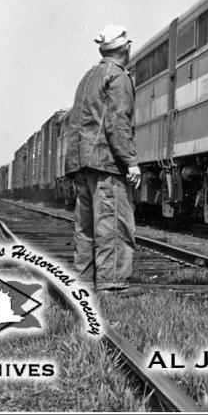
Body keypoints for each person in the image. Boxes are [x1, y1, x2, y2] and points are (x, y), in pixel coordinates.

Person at [63, 24, 141, 296]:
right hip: (105, 162)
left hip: (81, 163)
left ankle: (84, 282)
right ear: (125, 48)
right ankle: (112, 284)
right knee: (114, 223)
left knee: (85, 226)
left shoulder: (88, 76)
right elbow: (118, 122)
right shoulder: (118, 77)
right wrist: (130, 160)